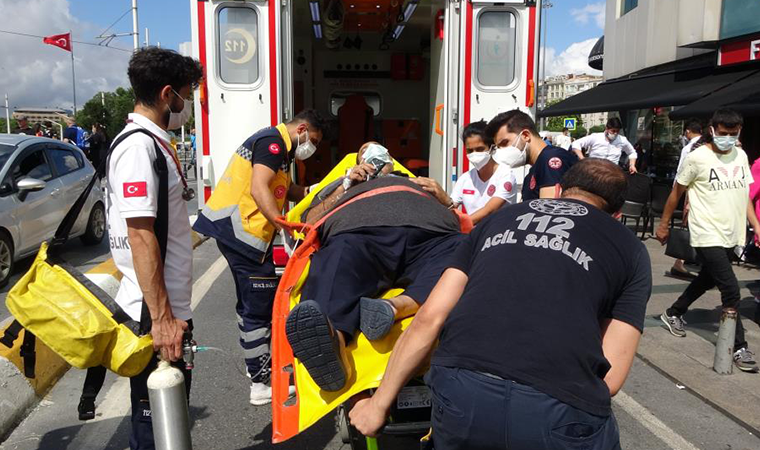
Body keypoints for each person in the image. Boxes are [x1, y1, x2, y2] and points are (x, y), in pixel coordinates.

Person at [349, 158, 651, 449]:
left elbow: (430, 316)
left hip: (462, 392)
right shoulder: (630, 248)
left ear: (560, 190)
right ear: (617, 213)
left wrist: (379, 404)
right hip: (558, 408)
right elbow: (611, 376)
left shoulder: (499, 220)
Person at [285, 169, 466, 392]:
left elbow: (463, 220)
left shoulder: (421, 183)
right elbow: (309, 222)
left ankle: (394, 307)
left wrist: (447, 200)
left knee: (463, 253)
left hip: (432, 234)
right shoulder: (344, 185)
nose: (377, 157)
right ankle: (334, 341)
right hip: (359, 233)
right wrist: (345, 184)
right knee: (336, 259)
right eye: (367, 152)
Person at [192, 109, 326, 405]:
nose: (311, 147)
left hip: (239, 234)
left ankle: (263, 374)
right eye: (312, 140)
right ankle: (261, 382)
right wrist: (281, 223)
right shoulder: (273, 143)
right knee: (258, 308)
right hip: (241, 233)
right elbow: (258, 186)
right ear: (302, 129)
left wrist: (313, 192)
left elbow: (285, 188)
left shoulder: (279, 147)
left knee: (253, 306)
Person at [105, 47, 203, 449]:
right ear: (168, 95)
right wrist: (162, 319)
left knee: (167, 422)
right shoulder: (138, 148)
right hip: (153, 315)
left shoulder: (153, 143)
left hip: (167, 309)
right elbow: (140, 234)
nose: (190, 103)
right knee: (156, 428)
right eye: (188, 93)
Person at [657, 109, 760, 373]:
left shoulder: (741, 155)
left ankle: (674, 312)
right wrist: (664, 224)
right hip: (706, 232)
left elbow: (745, 196)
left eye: (733, 133)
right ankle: (738, 347)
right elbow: (676, 192)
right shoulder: (698, 157)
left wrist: (757, 227)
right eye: (723, 133)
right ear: (712, 130)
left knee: (708, 278)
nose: (728, 138)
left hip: (732, 233)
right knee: (731, 289)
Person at [487, 109, 577, 201]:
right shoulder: (533, 172)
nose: (502, 150)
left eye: (505, 143)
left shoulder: (550, 158)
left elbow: (550, 210)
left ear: (526, 135)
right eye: (498, 147)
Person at [449, 121, 517, 224]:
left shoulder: (506, 175)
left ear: (491, 147)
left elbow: (489, 210)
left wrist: (461, 225)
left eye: (480, 149)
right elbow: (451, 206)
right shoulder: (465, 178)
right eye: (470, 151)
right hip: (473, 234)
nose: (474, 154)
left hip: (499, 235)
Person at [669, 119, 703, 279]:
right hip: (694, 191)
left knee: (690, 224)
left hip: (689, 190)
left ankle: (682, 260)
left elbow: (680, 170)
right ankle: (681, 260)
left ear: (688, 131)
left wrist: (676, 192)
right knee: (691, 225)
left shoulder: (690, 147)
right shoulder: (696, 147)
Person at [571, 117, 638, 174]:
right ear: (607, 129)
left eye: (617, 131)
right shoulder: (595, 137)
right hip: (594, 171)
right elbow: (576, 144)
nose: (615, 133)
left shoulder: (622, 140)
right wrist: (582, 159)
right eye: (613, 131)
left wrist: (632, 165)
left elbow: (632, 152)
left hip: (612, 172)